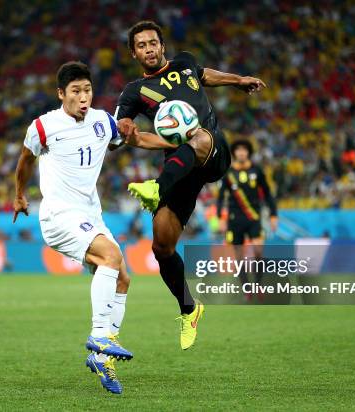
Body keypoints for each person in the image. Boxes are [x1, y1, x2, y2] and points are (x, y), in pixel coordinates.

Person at [13, 61, 175, 394]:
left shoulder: (102, 121)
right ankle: (99, 337)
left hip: (89, 214)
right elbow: (26, 160)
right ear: (62, 94)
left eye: (87, 90)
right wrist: (19, 194)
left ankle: (104, 359)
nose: (83, 97)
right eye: (76, 91)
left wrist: (175, 144)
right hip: (59, 215)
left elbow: (135, 138)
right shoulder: (43, 127)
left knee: (123, 277)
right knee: (111, 257)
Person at [115, 20, 266, 349]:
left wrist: (237, 81)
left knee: (195, 134)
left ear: (162, 45)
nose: (149, 48)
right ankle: (189, 308)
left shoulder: (183, 63)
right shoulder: (135, 90)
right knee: (162, 246)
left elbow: (205, 74)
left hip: (212, 148)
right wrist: (126, 130)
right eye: (142, 45)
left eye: (153, 42)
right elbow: (122, 123)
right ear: (134, 53)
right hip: (179, 167)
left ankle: (155, 188)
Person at [216, 140, 278, 301]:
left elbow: (268, 194)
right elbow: (221, 197)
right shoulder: (229, 174)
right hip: (234, 219)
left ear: (248, 152)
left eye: (244, 150)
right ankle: (246, 288)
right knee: (238, 256)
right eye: (238, 150)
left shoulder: (257, 171)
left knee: (258, 252)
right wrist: (220, 218)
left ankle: (258, 284)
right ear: (235, 153)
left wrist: (273, 215)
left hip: (254, 218)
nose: (241, 152)